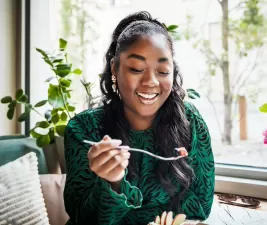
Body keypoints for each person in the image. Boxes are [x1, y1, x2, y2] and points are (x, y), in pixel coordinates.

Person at [63, 11, 215, 225]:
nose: (151, 81)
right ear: (115, 68)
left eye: (163, 71)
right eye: (136, 68)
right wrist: (113, 183)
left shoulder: (190, 121)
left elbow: (201, 205)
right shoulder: (83, 128)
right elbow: (81, 217)